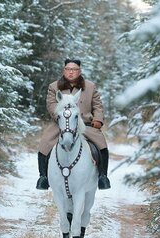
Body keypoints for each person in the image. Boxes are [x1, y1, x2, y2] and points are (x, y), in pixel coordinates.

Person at [36, 58, 111, 190]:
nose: (71, 72)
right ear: (64, 70)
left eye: (74, 69)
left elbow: (98, 106)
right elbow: (51, 105)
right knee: (44, 145)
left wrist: (98, 119)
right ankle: (43, 177)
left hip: (86, 125)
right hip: (61, 124)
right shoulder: (54, 87)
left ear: (79, 71)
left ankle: (102, 177)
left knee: (102, 146)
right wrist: (60, 117)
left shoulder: (90, 86)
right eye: (68, 69)